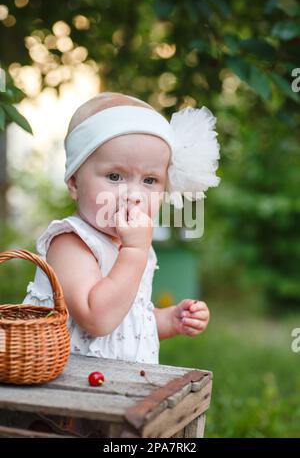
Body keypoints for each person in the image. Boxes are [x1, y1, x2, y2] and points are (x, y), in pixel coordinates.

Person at [22, 91, 221, 365]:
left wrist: (169, 320)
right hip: (68, 386)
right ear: (75, 183)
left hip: (118, 388)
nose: (134, 194)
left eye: (150, 180)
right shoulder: (71, 242)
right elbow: (97, 319)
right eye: (115, 176)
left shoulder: (130, 248)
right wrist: (135, 251)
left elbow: (127, 324)